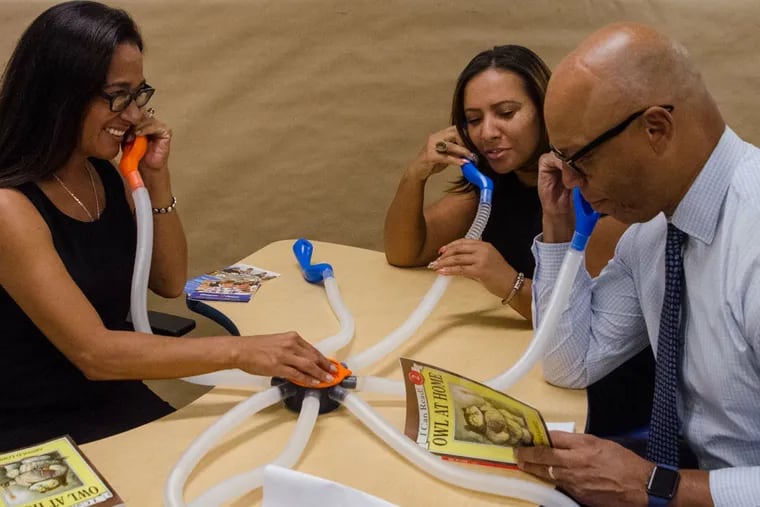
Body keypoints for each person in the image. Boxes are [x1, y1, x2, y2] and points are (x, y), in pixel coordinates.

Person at [0, 1, 334, 452]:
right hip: (33, 427)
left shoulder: (100, 173)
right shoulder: (9, 207)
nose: (135, 115)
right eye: (118, 95)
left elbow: (169, 281)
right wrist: (241, 351)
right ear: (59, 93)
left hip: (112, 394)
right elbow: (94, 353)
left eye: (139, 94)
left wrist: (155, 178)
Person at [516, 23, 760, 507]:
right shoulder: (653, 236)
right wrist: (558, 225)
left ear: (656, 128)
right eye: (560, 159)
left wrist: (655, 486)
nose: (569, 180)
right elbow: (570, 362)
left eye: (579, 159)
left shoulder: (751, 240)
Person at [384, 45, 654, 437]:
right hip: (524, 371)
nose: (487, 132)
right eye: (473, 119)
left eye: (506, 113)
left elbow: (584, 332)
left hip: (594, 399)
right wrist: (416, 174)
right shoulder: (489, 189)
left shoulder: (593, 199)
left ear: (545, 112)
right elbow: (403, 252)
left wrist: (509, 283)